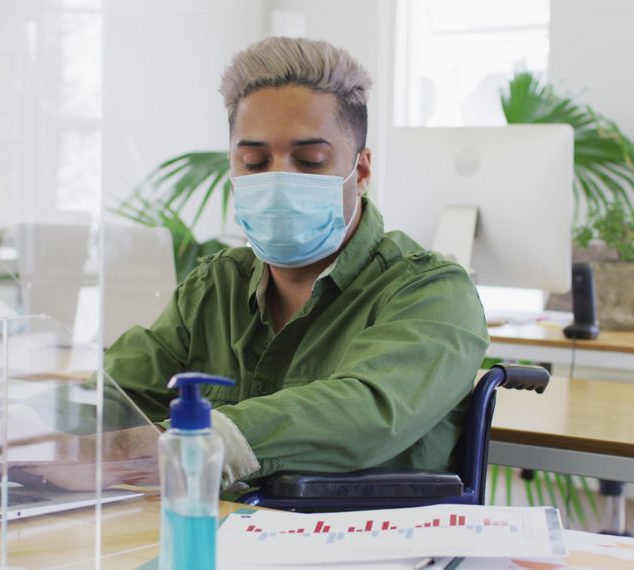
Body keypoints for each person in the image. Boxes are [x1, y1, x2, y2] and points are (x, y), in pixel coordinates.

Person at [101, 36, 490, 490]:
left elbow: (366, 413)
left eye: (309, 161)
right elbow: (118, 392)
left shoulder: (432, 292)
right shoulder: (216, 285)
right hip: (219, 541)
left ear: (360, 171)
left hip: (365, 552)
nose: (279, 179)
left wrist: (198, 443)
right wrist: (21, 431)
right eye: (254, 161)